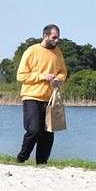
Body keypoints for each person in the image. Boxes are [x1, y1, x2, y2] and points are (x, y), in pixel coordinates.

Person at [15, 24, 67, 165]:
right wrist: (42, 76)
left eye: (58, 38)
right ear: (45, 36)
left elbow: (63, 71)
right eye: (54, 37)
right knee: (34, 130)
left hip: (50, 99)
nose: (56, 40)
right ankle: (22, 157)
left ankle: (42, 162)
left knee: (48, 133)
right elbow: (21, 76)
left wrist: (59, 79)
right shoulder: (31, 51)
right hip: (32, 97)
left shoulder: (58, 53)